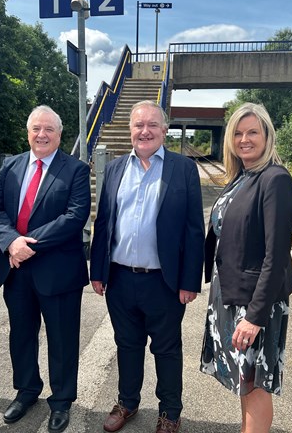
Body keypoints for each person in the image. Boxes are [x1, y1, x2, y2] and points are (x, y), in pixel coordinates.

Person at [90, 100, 204, 433]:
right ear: (130, 131)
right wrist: (98, 271)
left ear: (164, 130)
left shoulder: (182, 169)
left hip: (164, 282)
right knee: (127, 344)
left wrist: (190, 281)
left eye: (152, 125)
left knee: (167, 348)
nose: (145, 131)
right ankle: (128, 402)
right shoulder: (113, 169)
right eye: (139, 125)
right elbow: (104, 223)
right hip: (121, 278)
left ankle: (170, 412)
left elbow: (194, 229)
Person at [0, 105, 91, 433]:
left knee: (62, 339)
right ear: (28, 132)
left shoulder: (75, 169)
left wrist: (25, 244)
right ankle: (27, 390)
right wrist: (10, 243)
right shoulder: (11, 165)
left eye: (49, 130)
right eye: (36, 129)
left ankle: (61, 401)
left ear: (60, 135)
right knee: (21, 335)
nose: (42, 135)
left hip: (57, 270)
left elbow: (75, 217)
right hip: (16, 269)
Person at [200, 102, 292, 433]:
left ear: (267, 135)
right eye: (238, 133)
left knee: (255, 385)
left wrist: (255, 316)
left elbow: (277, 255)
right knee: (244, 381)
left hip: (255, 303)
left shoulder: (275, 180)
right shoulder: (244, 177)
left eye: (252, 132)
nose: (244, 139)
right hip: (232, 295)